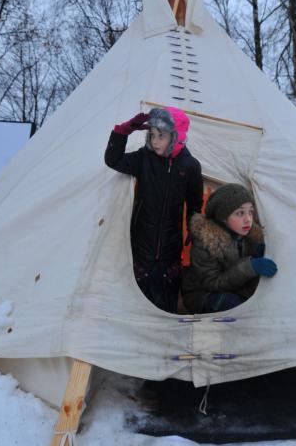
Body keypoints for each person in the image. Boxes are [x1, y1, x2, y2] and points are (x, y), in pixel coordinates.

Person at [104, 107, 203, 313]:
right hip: (142, 241)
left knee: (166, 297)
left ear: (176, 137)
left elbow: (194, 202)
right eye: (152, 135)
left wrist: (194, 229)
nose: (155, 141)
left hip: (170, 243)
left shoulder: (190, 166)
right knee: (138, 297)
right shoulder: (144, 158)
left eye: (162, 135)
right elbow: (113, 160)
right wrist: (123, 131)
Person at [182, 183, 277, 314]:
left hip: (236, 289)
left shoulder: (251, 236)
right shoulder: (206, 241)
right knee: (234, 305)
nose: (248, 219)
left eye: (250, 212)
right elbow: (212, 283)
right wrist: (249, 267)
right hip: (202, 293)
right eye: (240, 213)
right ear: (223, 217)